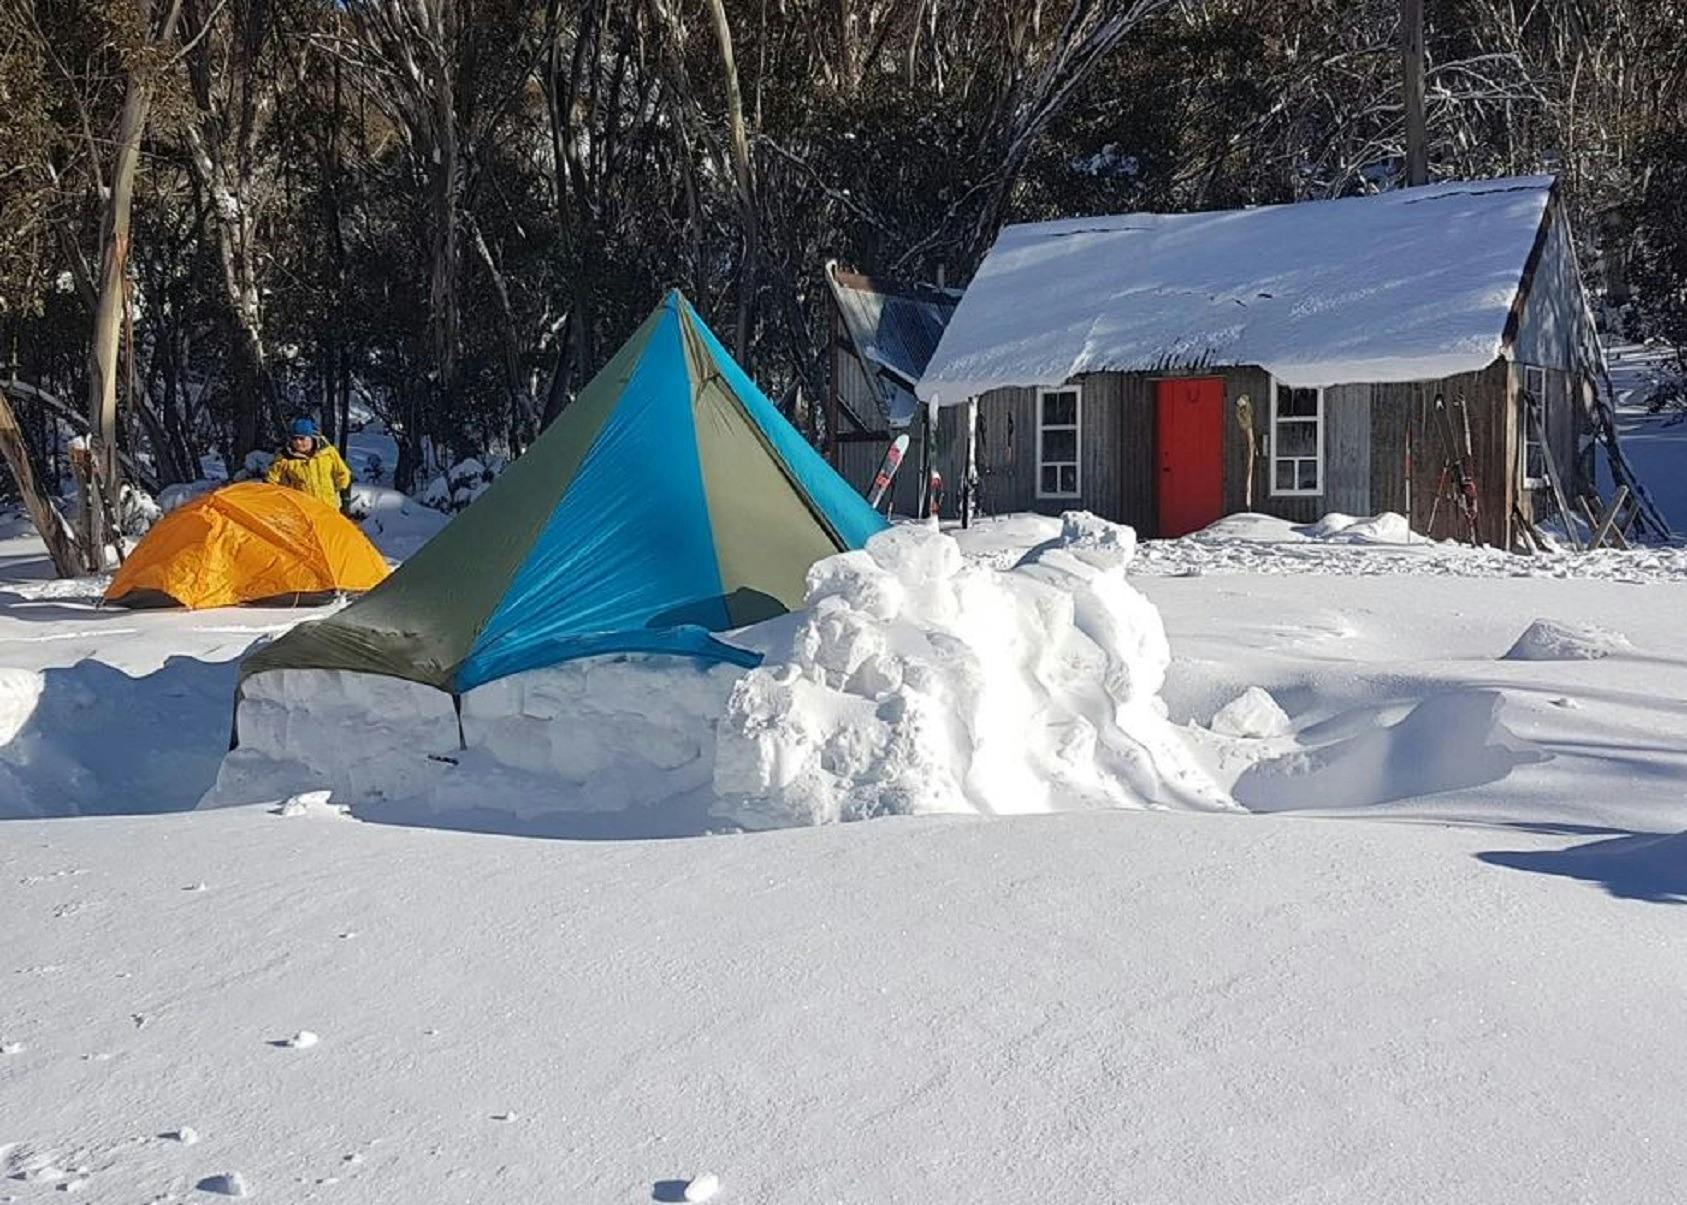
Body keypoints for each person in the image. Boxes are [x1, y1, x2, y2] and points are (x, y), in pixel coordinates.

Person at [266, 417, 352, 510]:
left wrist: (340, 496)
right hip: (301, 511)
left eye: (302, 438)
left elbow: (343, 474)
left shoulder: (328, 452)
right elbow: (270, 482)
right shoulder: (284, 458)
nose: (298, 442)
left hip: (328, 509)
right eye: (294, 438)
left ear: (310, 437)